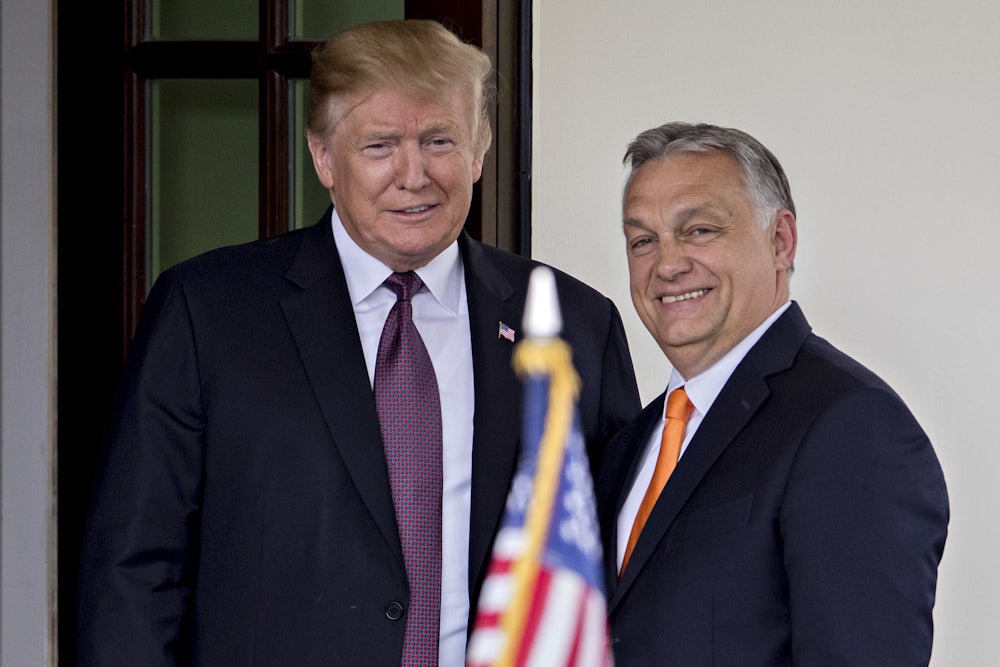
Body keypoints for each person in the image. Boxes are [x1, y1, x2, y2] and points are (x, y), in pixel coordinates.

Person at [77, 20, 640, 666]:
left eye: (440, 141)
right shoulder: (207, 314)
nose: (414, 174)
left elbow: (622, 575)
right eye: (380, 146)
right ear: (323, 157)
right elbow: (132, 574)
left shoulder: (573, 323)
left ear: (479, 151)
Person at [596, 122, 949, 665]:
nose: (666, 264)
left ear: (780, 241)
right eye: (643, 240)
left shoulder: (852, 427)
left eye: (700, 231)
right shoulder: (628, 446)